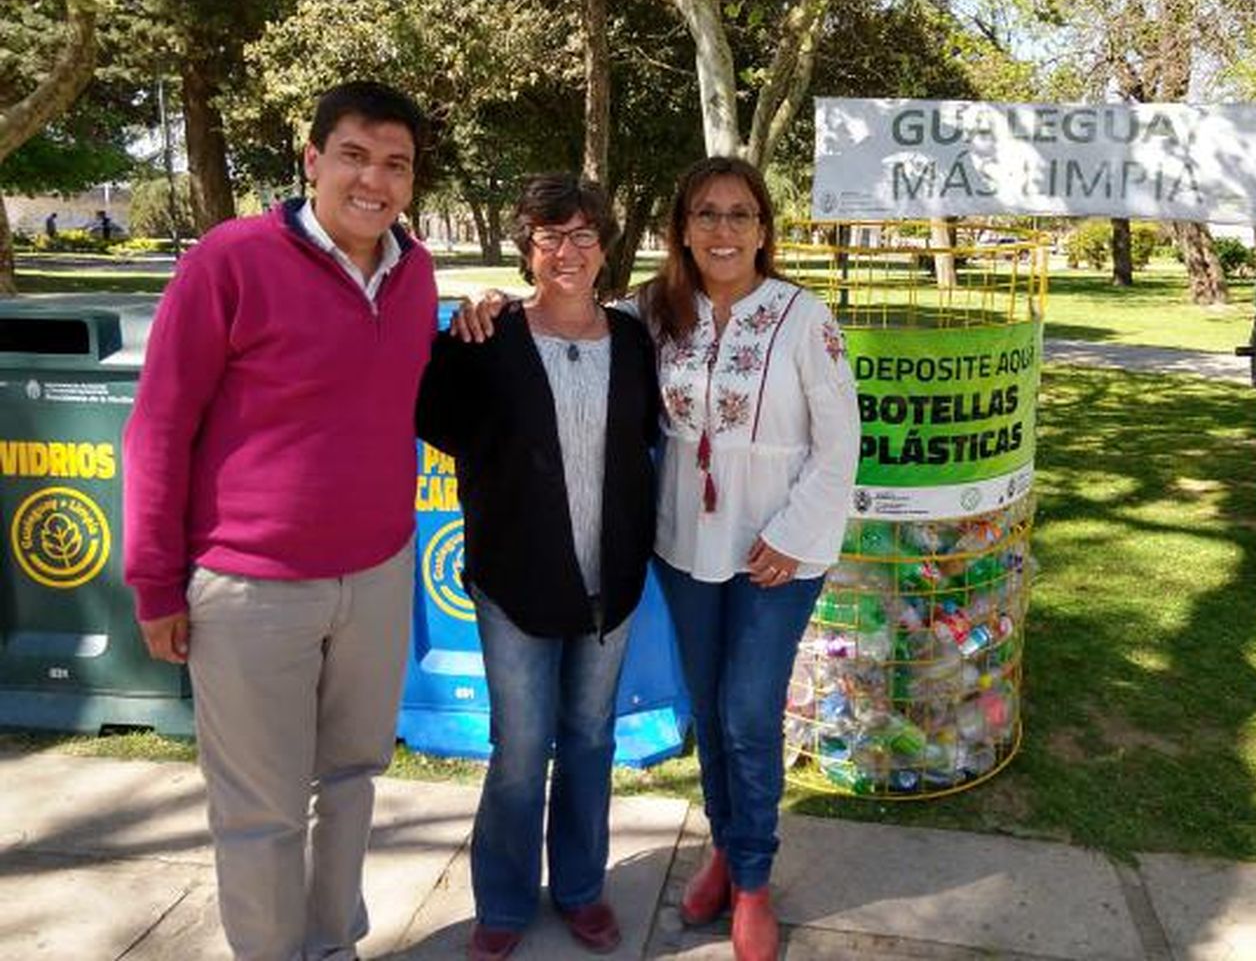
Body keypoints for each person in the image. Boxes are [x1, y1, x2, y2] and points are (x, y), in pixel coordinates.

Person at [454, 156, 860, 961]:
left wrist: (792, 531)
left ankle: (751, 878)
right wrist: (491, 302)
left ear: (764, 228)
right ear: (680, 227)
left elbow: (841, 440)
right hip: (683, 544)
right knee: (708, 710)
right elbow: (566, 311)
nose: (722, 229)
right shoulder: (653, 312)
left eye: (740, 214)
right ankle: (722, 844)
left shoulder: (803, 316)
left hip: (776, 551)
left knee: (748, 713)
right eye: (705, 213)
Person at [124, 80, 437, 961]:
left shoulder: (415, 274)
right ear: (312, 161)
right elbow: (159, 424)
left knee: (350, 781)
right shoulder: (230, 259)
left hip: (375, 574)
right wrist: (154, 581)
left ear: (411, 182)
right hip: (251, 586)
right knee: (260, 812)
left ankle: (331, 944)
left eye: (395, 164)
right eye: (354, 155)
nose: (373, 179)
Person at [416, 175, 660, 961]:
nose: (568, 251)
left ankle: (582, 889)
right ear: (526, 248)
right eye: (551, 235)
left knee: (590, 741)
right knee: (521, 749)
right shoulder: (487, 339)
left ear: (605, 246)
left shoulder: (631, 342)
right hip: (515, 581)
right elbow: (437, 421)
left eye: (585, 234)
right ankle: (505, 899)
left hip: (608, 581)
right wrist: (465, 322)